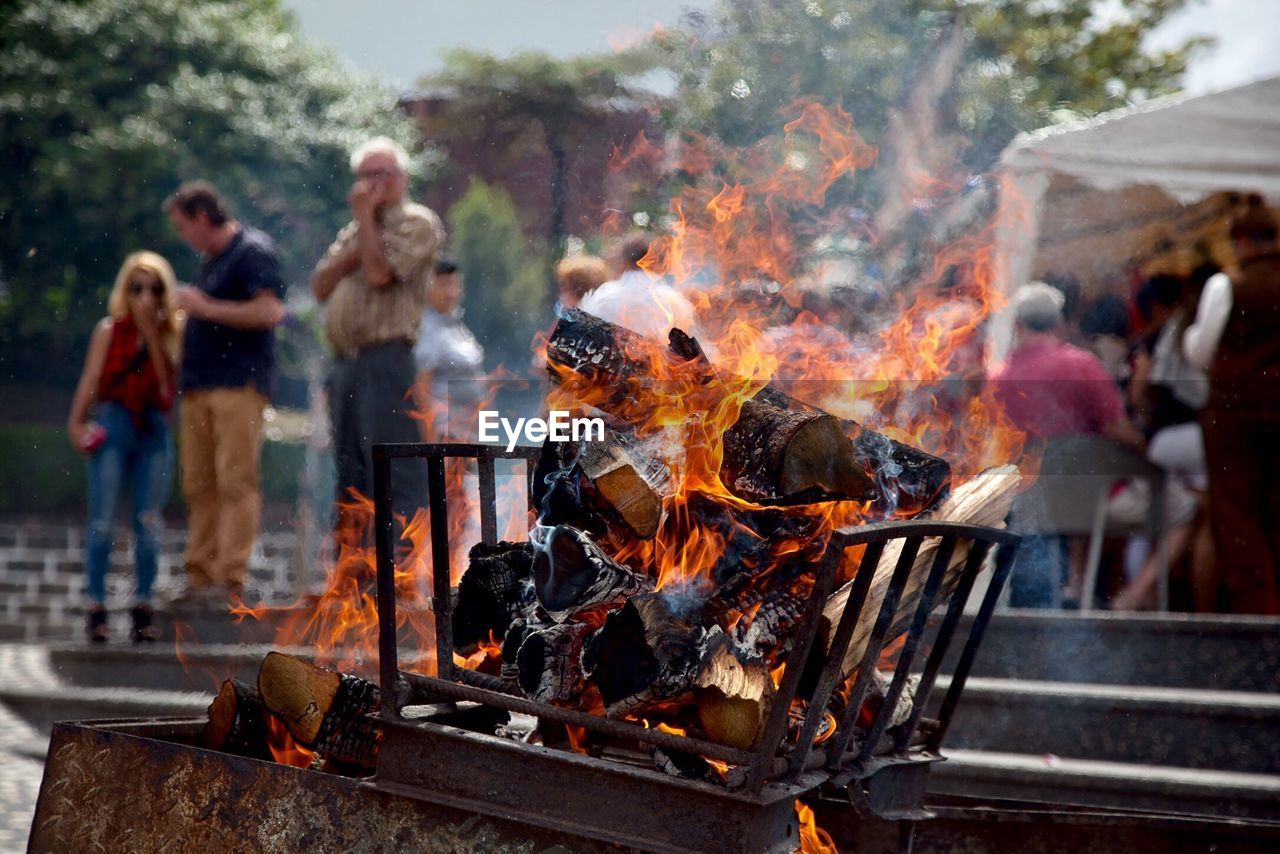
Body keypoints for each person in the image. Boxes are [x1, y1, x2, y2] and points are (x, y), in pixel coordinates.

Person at [311, 136, 445, 528]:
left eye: (380, 174)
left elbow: (378, 273)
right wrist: (363, 233)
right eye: (364, 175)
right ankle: (353, 579)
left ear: (402, 178)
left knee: (391, 471)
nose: (371, 184)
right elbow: (319, 286)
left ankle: (398, 576)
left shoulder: (417, 222)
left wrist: (366, 223)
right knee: (350, 476)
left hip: (386, 362)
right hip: (346, 365)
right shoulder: (354, 229)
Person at [165, 181, 286, 604]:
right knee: (198, 482)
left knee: (235, 480)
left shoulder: (252, 251)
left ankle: (231, 577)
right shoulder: (211, 260)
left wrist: (204, 307)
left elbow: (271, 311)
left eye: (183, 225)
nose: (183, 235)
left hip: (238, 384)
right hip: (200, 386)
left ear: (202, 216)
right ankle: (200, 574)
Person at [992, 282, 1142, 608]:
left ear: (1016, 325)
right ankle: (1086, 589)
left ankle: (1058, 591)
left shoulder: (1000, 377)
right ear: (1059, 323)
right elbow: (1117, 427)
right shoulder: (1083, 366)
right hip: (1082, 500)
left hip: (1025, 502)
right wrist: (1147, 449)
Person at [67, 252, 180, 641]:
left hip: (152, 427)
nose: (145, 295)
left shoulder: (170, 334)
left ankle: (142, 606)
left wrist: (151, 331)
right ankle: (96, 606)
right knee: (101, 522)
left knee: (147, 523)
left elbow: (168, 386)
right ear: (125, 290)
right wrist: (76, 422)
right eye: (137, 287)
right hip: (114, 422)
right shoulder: (108, 329)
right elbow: (91, 379)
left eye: (154, 287)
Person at [1183, 195, 1280, 615]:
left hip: (1233, 415)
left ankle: (1255, 613)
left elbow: (1201, 352)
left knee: (1236, 511)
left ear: (1241, 242)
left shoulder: (1227, 285)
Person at [413, 257, 486, 442]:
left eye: (455, 285)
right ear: (429, 288)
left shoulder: (458, 327)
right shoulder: (427, 329)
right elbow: (423, 388)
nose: (450, 292)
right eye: (443, 285)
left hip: (469, 430)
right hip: (445, 431)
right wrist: (431, 449)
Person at [578, 232, 698, 339]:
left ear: (623, 262)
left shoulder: (604, 295)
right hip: (657, 364)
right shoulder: (676, 302)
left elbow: (583, 335)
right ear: (656, 262)